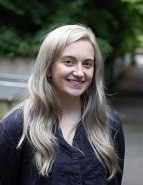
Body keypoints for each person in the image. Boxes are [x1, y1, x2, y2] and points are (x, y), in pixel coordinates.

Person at [0, 24, 125, 185]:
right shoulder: (17, 126)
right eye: (69, 62)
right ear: (48, 67)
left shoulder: (109, 123)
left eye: (87, 64)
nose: (80, 72)